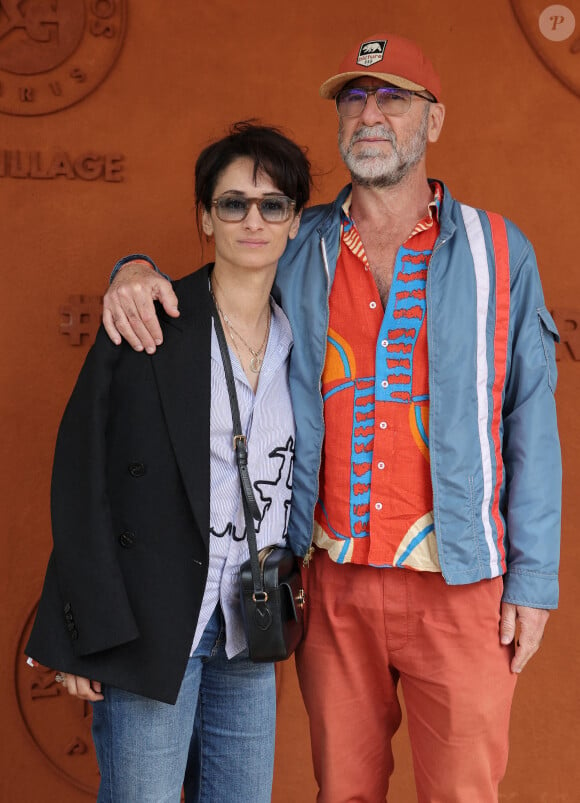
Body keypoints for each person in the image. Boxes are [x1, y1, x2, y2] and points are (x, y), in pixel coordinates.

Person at [100, 33, 562, 803]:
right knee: (342, 791)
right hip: (332, 584)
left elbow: (530, 421)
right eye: (354, 98)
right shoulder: (299, 240)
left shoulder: (498, 249)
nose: (370, 114)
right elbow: (216, 272)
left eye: (392, 97)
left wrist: (536, 581)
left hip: (460, 584)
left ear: (435, 121)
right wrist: (132, 271)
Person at [25, 122, 312, 803]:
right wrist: (82, 628)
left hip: (251, 620)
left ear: (296, 222)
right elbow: (83, 472)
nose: (253, 219)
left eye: (273, 205)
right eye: (233, 202)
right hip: (153, 619)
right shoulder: (151, 321)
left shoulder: (306, 336)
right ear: (205, 219)